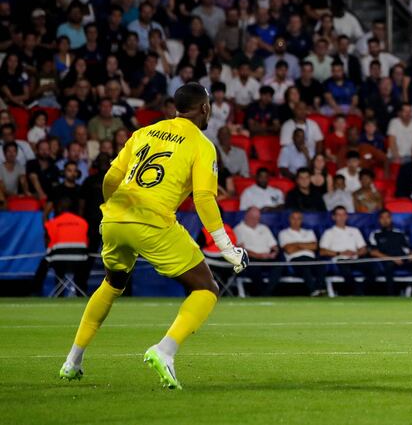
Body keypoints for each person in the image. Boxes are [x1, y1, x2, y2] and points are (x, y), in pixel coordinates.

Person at [58, 83, 249, 390]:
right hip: (152, 220)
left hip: (115, 217)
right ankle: (165, 350)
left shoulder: (144, 132)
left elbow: (111, 178)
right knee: (206, 288)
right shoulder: (201, 144)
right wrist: (226, 246)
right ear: (204, 108)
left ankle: (72, 361)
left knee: (112, 283)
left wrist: (111, 210)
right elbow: (203, 198)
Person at [368, 209, 412, 296]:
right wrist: (392, 259)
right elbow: (373, 252)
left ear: (391, 219)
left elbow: (408, 248)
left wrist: (411, 254)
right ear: (379, 220)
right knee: (388, 266)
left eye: (387, 217)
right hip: (387, 259)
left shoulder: (399, 233)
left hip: (403, 258)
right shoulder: (375, 234)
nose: (385, 220)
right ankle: (391, 295)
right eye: (382, 218)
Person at [319, 206, 369, 296]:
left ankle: (360, 290)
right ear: (333, 217)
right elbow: (322, 251)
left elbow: (363, 249)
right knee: (346, 270)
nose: (341, 217)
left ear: (347, 216)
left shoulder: (355, 230)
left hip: (355, 258)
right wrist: (340, 253)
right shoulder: (329, 232)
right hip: (340, 259)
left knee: (373, 269)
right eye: (339, 215)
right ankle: (358, 293)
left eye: (343, 214)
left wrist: (356, 253)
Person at [234, 207, 279, 297]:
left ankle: (268, 292)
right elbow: (241, 250)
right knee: (254, 267)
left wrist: (274, 253)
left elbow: (274, 246)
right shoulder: (238, 229)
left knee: (279, 265)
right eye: (253, 217)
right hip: (251, 258)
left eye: (257, 218)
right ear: (246, 216)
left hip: (267, 257)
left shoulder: (264, 228)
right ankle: (263, 294)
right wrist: (259, 255)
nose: (255, 220)